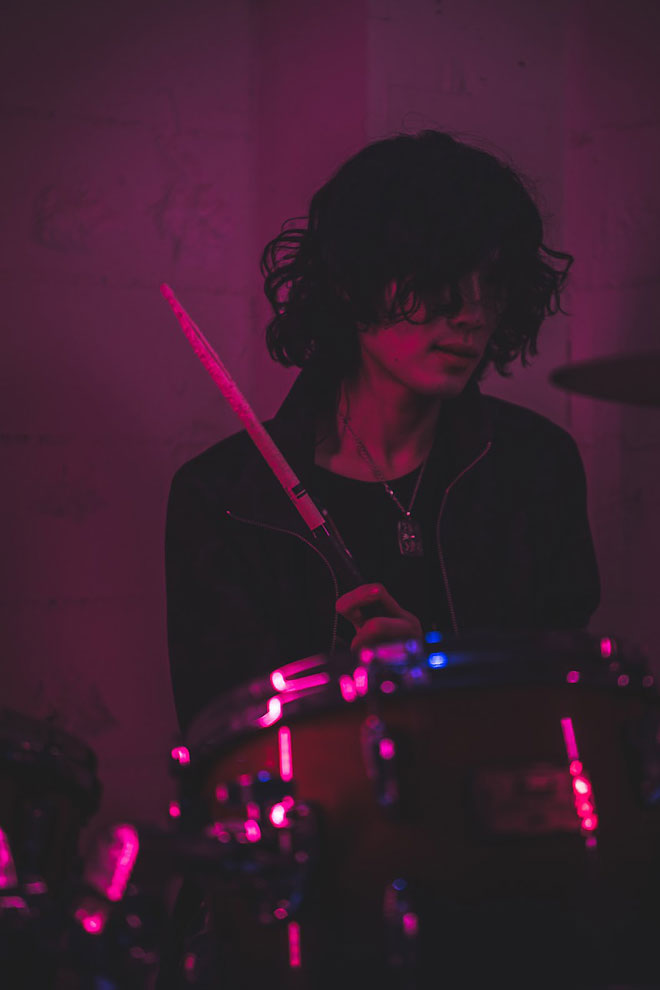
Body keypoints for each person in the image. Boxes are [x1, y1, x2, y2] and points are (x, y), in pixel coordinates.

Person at [165, 129, 600, 738]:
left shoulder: (537, 467)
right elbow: (223, 742)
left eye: (492, 283)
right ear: (352, 281)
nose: (472, 312)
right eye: (442, 277)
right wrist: (348, 694)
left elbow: (564, 713)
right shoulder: (229, 498)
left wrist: (436, 679)